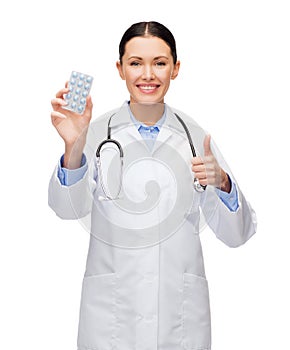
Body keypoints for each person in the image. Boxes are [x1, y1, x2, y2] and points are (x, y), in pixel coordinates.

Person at [48, 21, 257, 350]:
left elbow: (237, 234)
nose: (148, 75)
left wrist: (225, 183)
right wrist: (73, 147)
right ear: (120, 69)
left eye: (159, 63)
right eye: (135, 63)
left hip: (179, 321)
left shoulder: (194, 136)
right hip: (111, 322)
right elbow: (66, 209)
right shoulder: (96, 132)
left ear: (175, 68)